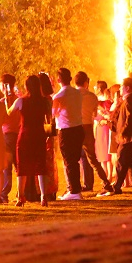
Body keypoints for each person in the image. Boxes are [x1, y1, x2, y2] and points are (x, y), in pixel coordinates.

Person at [6, 75, 50, 206]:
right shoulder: (44, 101)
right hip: (39, 135)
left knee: (22, 166)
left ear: (26, 86)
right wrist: (48, 136)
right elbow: (49, 120)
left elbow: (9, 112)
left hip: (25, 135)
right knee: (40, 166)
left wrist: (6, 101)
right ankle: (43, 196)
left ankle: (21, 197)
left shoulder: (21, 101)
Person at [99, 78, 132, 196]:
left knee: (121, 161)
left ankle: (117, 187)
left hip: (129, 137)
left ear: (128, 88)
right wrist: (110, 124)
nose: (121, 89)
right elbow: (118, 120)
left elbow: (129, 120)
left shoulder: (130, 101)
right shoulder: (127, 100)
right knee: (129, 163)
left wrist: (122, 133)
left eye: (123, 86)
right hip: (128, 136)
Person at [76, 71, 115, 194]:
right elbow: (94, 114)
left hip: (75, 127)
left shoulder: (72, 95)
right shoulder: (92, 97)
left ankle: (74, 186)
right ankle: (105, 182)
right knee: (92, 159)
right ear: (86, 82)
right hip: (87, 127)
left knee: (73, 159)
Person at [52, 68, 84, 201]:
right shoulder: (77, 93)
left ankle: (74, 191)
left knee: (69, 161)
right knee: (74, 160)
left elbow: (53, 113)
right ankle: (74, 188)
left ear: (58, 79)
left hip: (66, 129)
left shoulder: (59, 96)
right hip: (78, 128)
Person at [0, 74, 20, 205]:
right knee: (19, 166)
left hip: (7, 135)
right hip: (18, 134)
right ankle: (20, 193)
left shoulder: (2, 103)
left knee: (7, 167)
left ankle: (3, 194)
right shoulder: (19, 100)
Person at [94, 82, 114, 180]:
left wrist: (103, 118)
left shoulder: (105, 102)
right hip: (99, 127)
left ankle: (109, 175)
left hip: (105, 127)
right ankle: (105, 175)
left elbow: (109, 114)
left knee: (107, 152)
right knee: (102, 153)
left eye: (96, 87)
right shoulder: (97, 101)